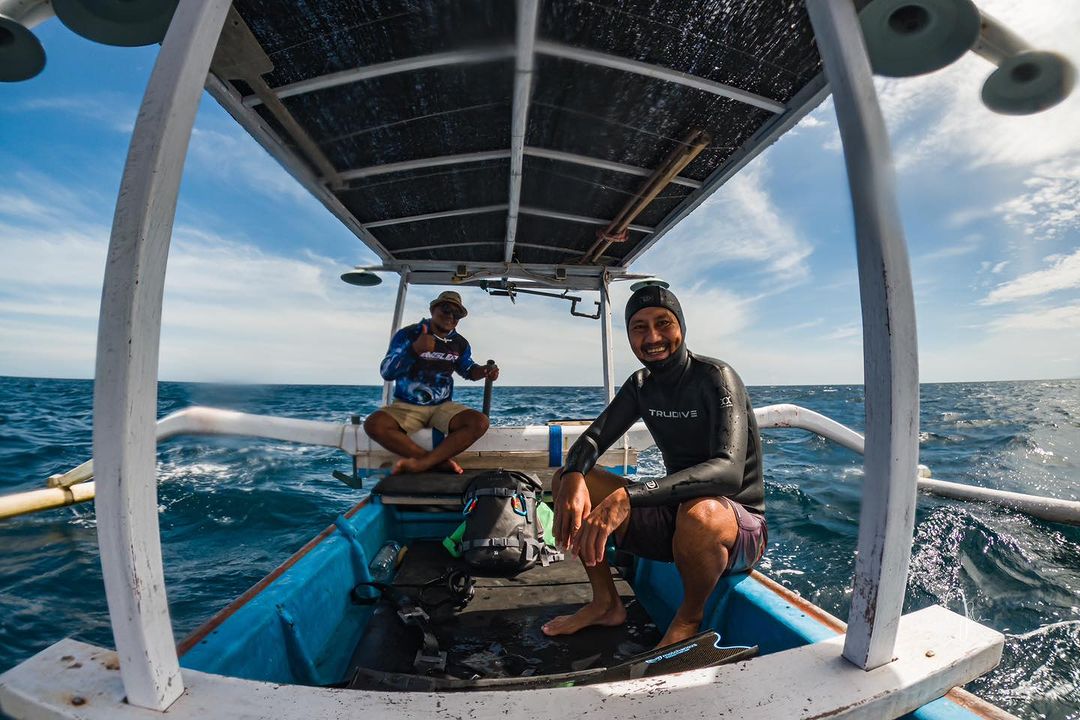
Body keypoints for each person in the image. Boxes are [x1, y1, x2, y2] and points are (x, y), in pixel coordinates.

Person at [543, 285, 765, 648]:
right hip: (676, 518)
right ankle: (605, 603)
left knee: (700, 514)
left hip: (734, 525)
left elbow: (727, 472)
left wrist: (628, 498)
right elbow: (593, 440)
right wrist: (571, 474)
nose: (653, 337)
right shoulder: (642, 385)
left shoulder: (715, 377)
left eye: (663, 323)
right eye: (639, 327)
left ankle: (688, 619)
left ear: (681, 326)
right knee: (571, 480)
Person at [364, 290, 499, 475]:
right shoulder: (409, 334)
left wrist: (484, 371)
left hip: (442, 406)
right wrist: (414, 350)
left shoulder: (460, 343)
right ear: (433, 309)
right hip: (407, 405)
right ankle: (435, 462)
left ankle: (423, 463)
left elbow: (467, 370)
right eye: (445, 309)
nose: (450, 316)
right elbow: (387, 371)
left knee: (480, 422)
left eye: (457, 313)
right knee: (374, 425)